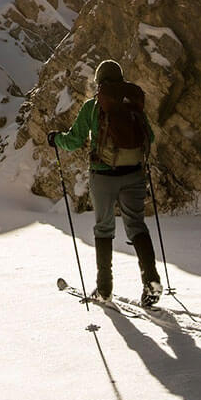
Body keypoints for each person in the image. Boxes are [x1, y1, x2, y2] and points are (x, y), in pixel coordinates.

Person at [47, 59, 163, 307]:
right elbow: (149, 137)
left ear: (99, 82)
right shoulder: (133, 104)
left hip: (103, 176)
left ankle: (104, 289)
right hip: (134, 173)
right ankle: (151, 278)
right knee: (137, 226)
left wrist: (56, 139)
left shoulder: (92, 107)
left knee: (104, 229)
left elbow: (75, 140)